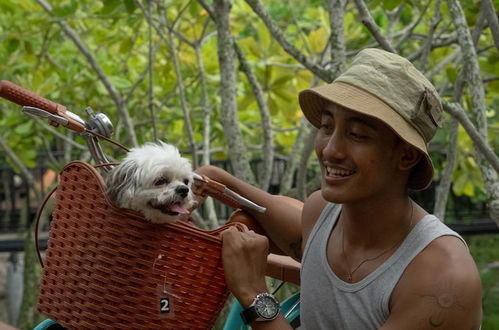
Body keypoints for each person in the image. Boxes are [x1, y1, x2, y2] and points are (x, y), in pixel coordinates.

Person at [194, 48, 482, 329]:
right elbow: (282, 216)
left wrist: (253, 294)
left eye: (356, 135)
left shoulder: (443, 278)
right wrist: (214, 179)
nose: (330, 150)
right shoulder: (324, 213)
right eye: (327, 126)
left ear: (406, 156)